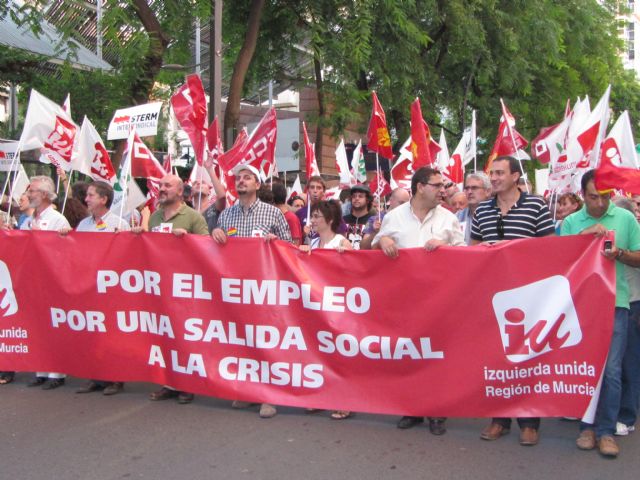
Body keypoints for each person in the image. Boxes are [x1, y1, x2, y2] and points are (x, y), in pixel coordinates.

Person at [373, 167, 465, 435]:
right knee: (409, 355)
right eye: (437, 185)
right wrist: (384, 240)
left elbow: (465, 255)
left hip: (439, 299)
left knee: (435, 355)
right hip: (405, 299)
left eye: (444, 186)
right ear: (420, 187)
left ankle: (437, 411)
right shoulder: (394, 217)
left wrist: (446, 248)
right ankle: (411, 407)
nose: (443, 190)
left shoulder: (449, 219)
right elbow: (375, 245)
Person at [472, 156, 554, 446]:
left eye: (499, 173)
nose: (493, 178)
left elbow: (549, 247)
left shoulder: (536, 205)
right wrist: (484, 248)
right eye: (491, 173)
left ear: (516, 176)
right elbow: (473, 248)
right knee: (497, 357)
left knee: (526, 356)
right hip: (493, 297)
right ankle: (499, 419)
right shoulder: (482, 209)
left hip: (527, 295)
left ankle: (529, 420)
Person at [562, 170, 640, 458]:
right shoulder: (571, 222)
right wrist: (584, 237)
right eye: (594, 197)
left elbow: (639, 256)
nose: (601, 204)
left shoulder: (625, 218)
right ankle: (587, 427)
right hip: (580, 305)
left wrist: (618, 253)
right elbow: (560, 260)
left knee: (613, 371)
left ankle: (607, 431)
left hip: (616, 303)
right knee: (585, 368)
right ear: (583, 196)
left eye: (606, 197)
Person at [212, 164, 292, 419]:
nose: (241, 181)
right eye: (238, 178)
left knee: (265, 341)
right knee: (240, 340)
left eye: (247, 178)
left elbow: (290, 247)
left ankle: (268, 396)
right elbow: (216, 249)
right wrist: (214, 233)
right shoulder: (226, 216)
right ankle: (247, 391)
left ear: (258, 185)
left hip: (264, 288)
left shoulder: (273, 214)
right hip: (236, 288)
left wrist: (276, 243)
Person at [137, 174, 208, 404]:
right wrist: (140, 236)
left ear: (180, 192)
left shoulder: (193, 217)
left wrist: (188, 240)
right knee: (165, 335)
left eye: (167, 185)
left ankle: (187, 384)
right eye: (160, 185)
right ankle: (169, 382)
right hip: (160, 287)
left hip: (185, 287)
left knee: (185, 337)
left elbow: (208, 250)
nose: (162, 188)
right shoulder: (156, 216)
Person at [69, 181, 129, 395]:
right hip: (88, 288)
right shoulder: (84, 224)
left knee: (112, 335)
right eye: (87, 196)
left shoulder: (119, 224)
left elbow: (128, 257)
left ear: (103, 199)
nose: (86, 199)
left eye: (91, 195)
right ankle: (95, 375)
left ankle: (115, 378)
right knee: (92, 332)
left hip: (110, 290)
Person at [300, 200, 352, 419]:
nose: (312, 220)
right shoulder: (312, 243)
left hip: (338, 307)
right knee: (319, 354)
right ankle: (322, 397)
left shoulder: (342, 241)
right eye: (312, 216)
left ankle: (344, 401)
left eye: (317, 216)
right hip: (316, 306)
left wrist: (346, 256)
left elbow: (355, 272)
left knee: (339, 355)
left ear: (329, 220)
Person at [21, 176, 71, 389]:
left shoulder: (57, 219)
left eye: (32, 191)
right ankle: (41, 369)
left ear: (43, 194)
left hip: (52, 280)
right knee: (38, 325)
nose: (29, 195)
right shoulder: (31, 219)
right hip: (34, 279)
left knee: (54, 326)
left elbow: (66, 250)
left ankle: (57, 373)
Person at [612, 197, 640, 438]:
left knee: (628, 362)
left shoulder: (632, 234)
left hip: (631, 302)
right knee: (611, 365)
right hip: (608, 303)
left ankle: (627, 415)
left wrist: (620, 252)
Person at [457, 172, 491, 245]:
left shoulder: (496, 215)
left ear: (487, 191)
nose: (469, 192)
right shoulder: (457, 217)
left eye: (474, 188)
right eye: (467, 188)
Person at [343, 184, 375, 250]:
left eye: (360, 196)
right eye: (354, 196)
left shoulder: (373, 221)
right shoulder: (343, 220)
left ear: (367, 200)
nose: (356, 198)